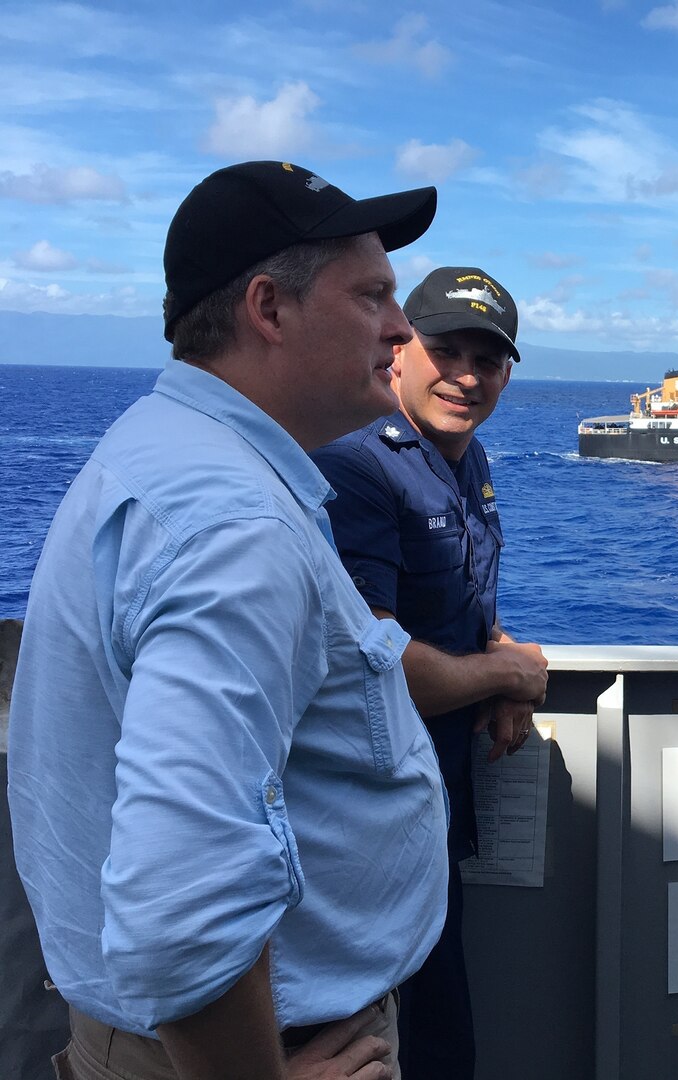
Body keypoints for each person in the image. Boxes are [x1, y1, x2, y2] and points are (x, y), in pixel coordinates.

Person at [7, 160, 451, 1080]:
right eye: (373, 295)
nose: (403, 329)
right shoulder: (234, 527)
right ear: (269, 308)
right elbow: (181, 902)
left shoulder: (159, 451)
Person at [311, 265, 547, 1079]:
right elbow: (376, 665)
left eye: (490, 361)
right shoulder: (358, 467)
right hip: (367, 812)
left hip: (430, 790)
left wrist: (504, 655)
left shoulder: (466, 459)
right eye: (446, 350)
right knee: (408, 1033)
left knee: (438, 1018)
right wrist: (508, 677)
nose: (469, 377)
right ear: (401, 347)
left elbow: (459, 610)